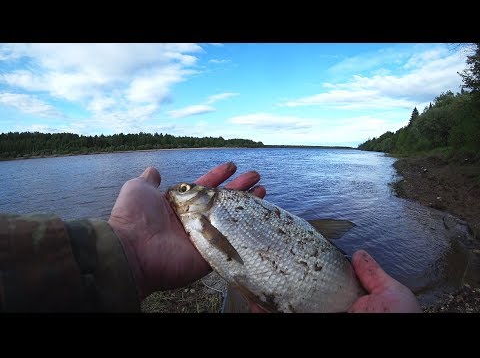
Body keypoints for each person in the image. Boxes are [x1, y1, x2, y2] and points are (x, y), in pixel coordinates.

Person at [0, 162, 421, 313]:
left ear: (200, 197)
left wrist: (122, 248)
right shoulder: (202, 216)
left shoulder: (212, 208)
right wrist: (127, 245)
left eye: (184, 191)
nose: (177, 193)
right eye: (182, 190)